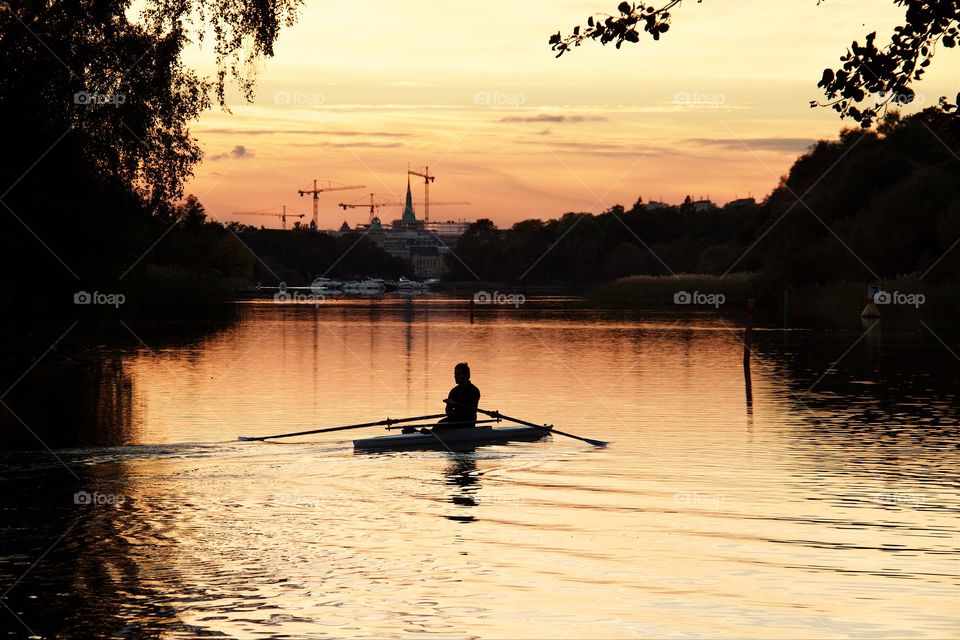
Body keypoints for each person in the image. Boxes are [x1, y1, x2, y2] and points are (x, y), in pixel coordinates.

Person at [437, 362, 481, 430]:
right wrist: (449, 411)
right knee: (439, 424)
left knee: (441, 424)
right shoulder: (454, 391)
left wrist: (454, 404)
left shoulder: (474, 391)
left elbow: (468, 410)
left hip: (467, 422)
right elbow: (448, 409)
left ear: (466, 375)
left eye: (458, 374)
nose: (455, 377)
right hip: (455, 421)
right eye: (455, 374)